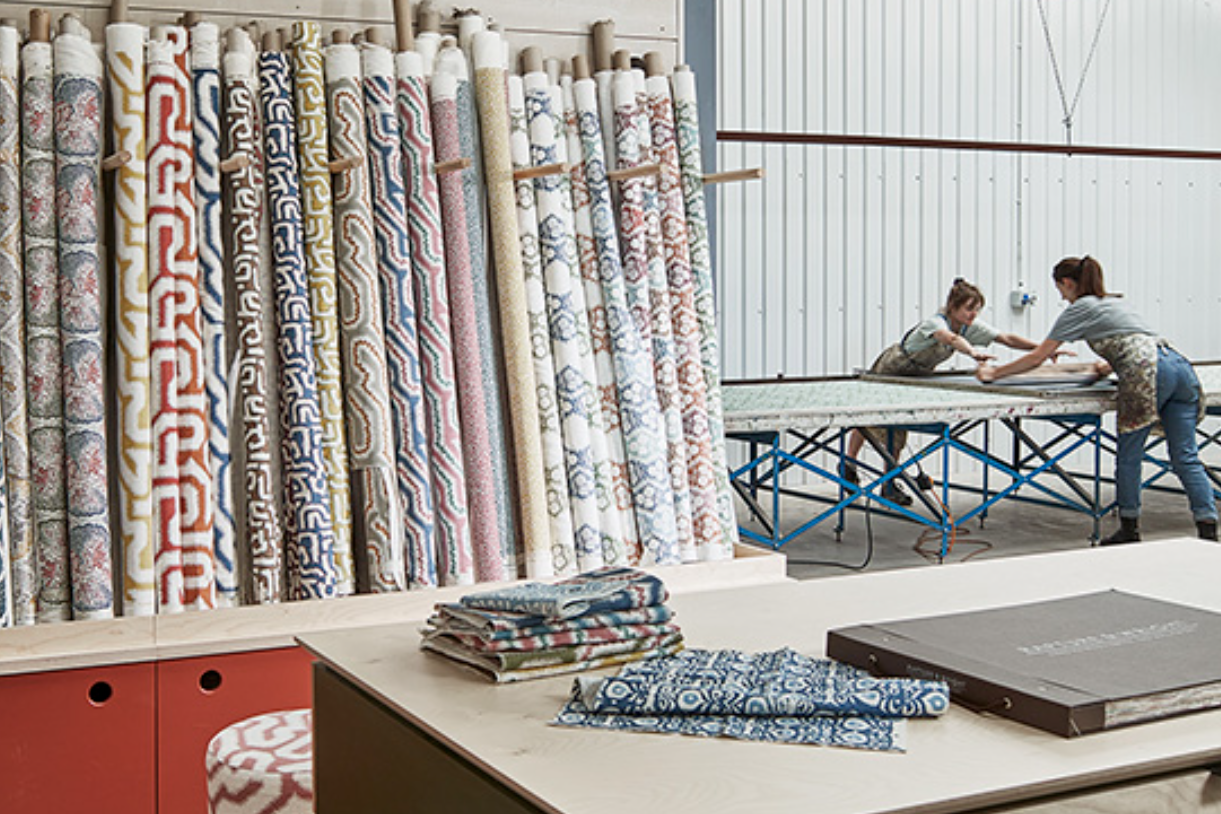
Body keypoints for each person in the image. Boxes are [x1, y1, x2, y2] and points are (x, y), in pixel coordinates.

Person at [976, 256, 1218, 543]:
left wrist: (994, 373)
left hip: (1148, 373)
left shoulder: (1080, 308)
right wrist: (1107, 366)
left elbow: (1039, 356)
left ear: (1067, 283)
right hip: (1180, 369)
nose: (1062, 297)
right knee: (1186, 457)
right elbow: (1135, 341)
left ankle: (1129, 529)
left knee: (1129, 457)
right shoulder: (1116, 302)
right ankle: (1207, 529)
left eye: (1060, 290)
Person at [844, 279, 1053, 506]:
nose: (973, 314)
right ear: (953, 307)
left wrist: (1043, 349)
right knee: (867, 420)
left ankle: (889, 483)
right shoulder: (935, 324)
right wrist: (973, 352)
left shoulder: (968, 326)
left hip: (915, 378)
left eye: (977, 309)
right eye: (969, 309)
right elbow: (951, 339)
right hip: (890, 370)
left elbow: (1006, 338)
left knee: (897, 432)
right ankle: (849, 463)